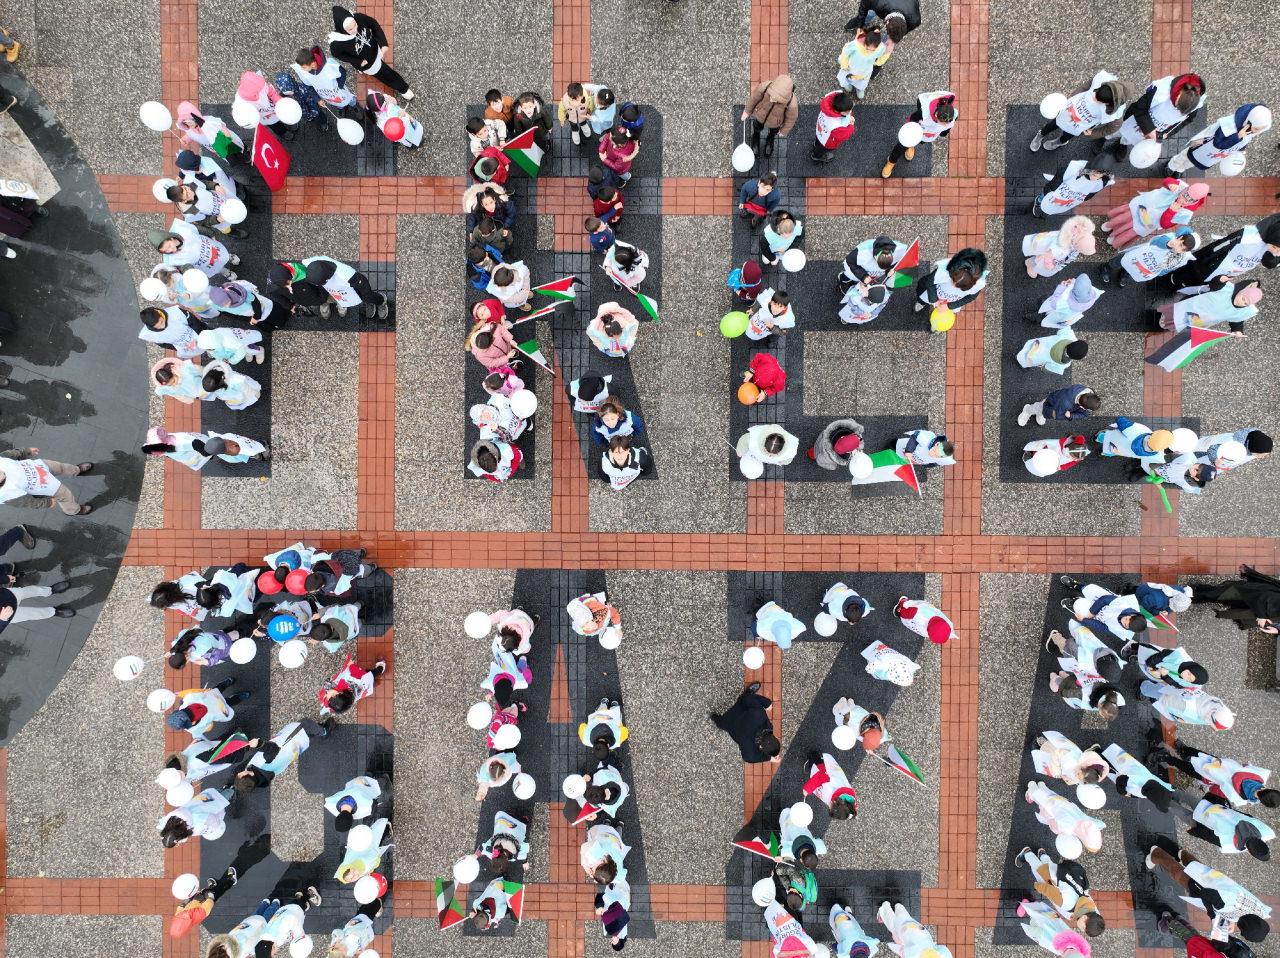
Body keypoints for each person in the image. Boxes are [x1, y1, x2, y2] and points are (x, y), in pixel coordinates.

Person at [1145, 845, 1272, 944]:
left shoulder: (1260, 910)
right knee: (1178, 874)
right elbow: (1206, 894)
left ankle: (1183, 854)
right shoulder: (1225, 905)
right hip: (1200, 886)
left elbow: (1241, 908)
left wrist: (1232, 922)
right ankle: (1156, 854)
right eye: (1243, 930)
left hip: (1216, 879)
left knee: (1199, 867)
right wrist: (1213, 917)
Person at [1099, 73, 1206, 164]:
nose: (1177, 112)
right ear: (1179, 95)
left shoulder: (1194, 104)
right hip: (1133, 119)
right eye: (1177, 107)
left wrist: (1167, 134)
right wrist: (1150, 130)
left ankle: (1122, 143)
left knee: (1132, 138)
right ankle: (1104, 137)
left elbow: (1185, 121)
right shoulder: (1161, 91)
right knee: (1117, 130)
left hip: (1154, 129)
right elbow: (1140, 108)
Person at [1148, 742, 1278, 809]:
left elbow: (1245, 765)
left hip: (1221, 764)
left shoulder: (1261, 775)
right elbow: (1217, 790)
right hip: (1210, 776)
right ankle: (1165, 757)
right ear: (1262, 801)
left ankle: (1183, 749)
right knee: (1190, 769)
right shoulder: (1239, 799)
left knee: (1201, 755)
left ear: (1268, 789)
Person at [1167, 218, 1280, 294]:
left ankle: (1181, 286)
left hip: (1230, 271)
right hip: (1214, 262)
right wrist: (1200, 257)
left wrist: (1274, 255)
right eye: (1276, 247)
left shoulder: (1272, 248)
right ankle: (1172, 280)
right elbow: (1221, 245)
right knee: (1193, 273)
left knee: (1203, 282)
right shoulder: (1250, 236)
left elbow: (1269, 263)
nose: (1276, 250)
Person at [1031, 72, 1132, 152]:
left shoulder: (1115, 115)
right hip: (1069, 110)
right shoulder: (1103, 79)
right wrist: (1072, 98)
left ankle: (1060, 141)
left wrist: (1092, 133)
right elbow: (1086, 86)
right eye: (1096, 93)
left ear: (1109, 104)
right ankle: (1042, 134)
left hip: (1081, 125)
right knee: (1054, 123)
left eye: (1098, 100)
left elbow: (1110, 129)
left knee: (1068, 134)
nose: (1094, 98)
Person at [328, 5, 414, 98]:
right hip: (368, 64)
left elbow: (373, 24)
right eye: (350, 29)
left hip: (375, 49)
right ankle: (403, 89)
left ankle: (360, 69)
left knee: (382, 70)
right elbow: (337, 54)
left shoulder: (358, 18)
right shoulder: (337, 43)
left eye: (355, 25)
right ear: (342, 29)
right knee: (386, 74)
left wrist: (383, 43)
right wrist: (357, 61)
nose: (355, 30)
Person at [269, 257, 389, 320]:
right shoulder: (308, 264)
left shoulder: (346, 275)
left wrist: (362, 295)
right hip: (334, 289)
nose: (289, 286)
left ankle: (380, 301)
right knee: (342, 298)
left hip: (351, 284)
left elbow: (361, 284)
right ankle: (365, 301)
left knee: (366, 295)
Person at [1103, 180, 1209, 249]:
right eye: (1185, 194)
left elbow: (1165, 225)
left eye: (1189, 199)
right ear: (1187, 189)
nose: (1183, 198)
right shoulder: (1182, 186)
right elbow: (1166, 181)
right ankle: (1110, 226)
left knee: (1130, 229)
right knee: (1123, 218)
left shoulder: (1186, 213)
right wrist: (1170, 184)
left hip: (1147, 221)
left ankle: (1115, 236)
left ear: (1195, 201)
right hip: (1142, 206)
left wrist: (1171, 211)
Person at [1168, 104, 1272, 175]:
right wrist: (1238, 136)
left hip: (1212, 154)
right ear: (1249, 121)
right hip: (1203, 145)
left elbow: (1245, 141)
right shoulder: (1229, 125)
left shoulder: (1250, 128)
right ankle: (1172, 165)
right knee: (1186, 155)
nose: (1258, 132)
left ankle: (1180, 169)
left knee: (1192, 162)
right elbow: (1217, 143)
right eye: (1257, 129)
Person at [234, 720, 322, 794]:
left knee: (306, 737)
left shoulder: (261, 779)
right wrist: (259, 744)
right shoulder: (262, 764)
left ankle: (313, 733)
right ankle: (323, 731)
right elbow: (273, 749)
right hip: (289, 741)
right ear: (250, 774)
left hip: (292, 750)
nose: (239, 773)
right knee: (306, 724)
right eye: (241, 774)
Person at [0, 446, 94, 515]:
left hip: (38, 466)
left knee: (60, 467)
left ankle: (76, 470)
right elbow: (26, 502)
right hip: (43, 485)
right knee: (65, 495)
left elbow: (8, 456)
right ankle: (73, 510)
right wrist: (46, 503)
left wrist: (25, 452)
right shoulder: (6, 494)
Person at [884, 91, 957, 177]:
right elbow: (913, 118)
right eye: (941, 122)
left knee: (917, 142)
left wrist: (945, 131)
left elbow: (945, 131)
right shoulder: (924, 113)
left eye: (946, 123)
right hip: (915, 132)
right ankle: (891, 162)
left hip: (925, 136)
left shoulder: (952, 117)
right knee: (900, 147)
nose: (943, 125)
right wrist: (913, 132)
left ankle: (911, 146)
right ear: (936, 114)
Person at [1192, 565, 1280, 634]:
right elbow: (1264, 597)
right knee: (1225, 594)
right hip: (1259, 598)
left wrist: (1278, 629)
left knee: (1225, 596)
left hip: (1262, 605)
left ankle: (1197, 592)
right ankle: (1194, 595)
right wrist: (1262, 616)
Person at [1025, 780, 1105, 853]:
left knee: (1052, 795)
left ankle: (1042, 786)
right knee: (1041, 799)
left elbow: (1100, 824)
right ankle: (1032, 789)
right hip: (1052, 808)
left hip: (1064, 803)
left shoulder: (1089, 822)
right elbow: (1054, 825)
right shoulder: (1069, 828)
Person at [710, 682, 780, 763]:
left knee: (746, 698)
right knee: (721, 723)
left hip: (739, 710)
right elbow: (748, 759)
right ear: (761, 747)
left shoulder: (759, 715)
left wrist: (767, 703)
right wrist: (771, 759)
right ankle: (714, 717)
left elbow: (748, 699)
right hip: (730, 724)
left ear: (775, 737)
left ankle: (748, 692)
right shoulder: (750, 752)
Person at [1152, 280, 1261, 333]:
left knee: (1183, 325)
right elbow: (1214, 283)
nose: (1241, 303)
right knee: (1174, 314)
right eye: (1243, 298)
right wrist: (1219, 279)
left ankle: (1167, 326)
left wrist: (1237, 330)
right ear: (1242, 291)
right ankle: (1158, 318)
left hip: (1201, 320)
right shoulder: (1226, 288)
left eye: (1246, 303)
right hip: (1191, 306)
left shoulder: (1242, 311)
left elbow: (1237, 321)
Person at [1060, 578, 1150, 640]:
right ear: (1133, 615)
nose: (1123, 621)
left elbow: (1102, 627)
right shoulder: (1125, 605)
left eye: (1125, 625)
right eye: (1127, 619)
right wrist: (1092, 612)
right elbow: (1105, 599)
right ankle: (1076, 585)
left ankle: (1075, 602)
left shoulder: (1120, 630)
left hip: (1098, 615)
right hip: (1100, 601)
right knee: (1088, 589)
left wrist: (1084, 620)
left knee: (1079, 607)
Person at [1185, 796, 1274, 859]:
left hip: (1212, 808)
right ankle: (1170, 801)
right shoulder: (1234, 845)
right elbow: (1210, 837)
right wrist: (1195, 832)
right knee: (1181, 812)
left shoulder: (1255, 827)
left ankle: (1172, 791)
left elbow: (1243, 815)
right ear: (1250, 852)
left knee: (1185, 797)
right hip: (1203, 822)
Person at [168, 866, 239, 939]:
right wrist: (210, 897)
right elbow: (206, 909)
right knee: (218, 891)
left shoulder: (179, 916)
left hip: (197, 900)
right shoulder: (196, 916)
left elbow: (180, 907)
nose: (180, 917)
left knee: (204, 891)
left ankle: (212, 887)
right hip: (205, 901)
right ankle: (231, 880)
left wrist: (187, 900)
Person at [1101, 744, 1174, 812]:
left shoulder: (1158, 787)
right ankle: (1097, 754)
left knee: (1116, 758)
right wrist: (1123, 792)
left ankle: (1102, 753)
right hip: (1122, 772)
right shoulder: (1139, 787)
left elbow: (1170, 788)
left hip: (1134, 768)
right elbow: (1121, 779)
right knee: (1108, 765)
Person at [915, 248, 988, 316]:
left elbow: (970, 297)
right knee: (922, 297)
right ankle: (922, 303)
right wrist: (935, 300)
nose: (953, 285)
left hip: (951, 301)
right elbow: (930, 281)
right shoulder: (945, 270)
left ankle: (938, 325)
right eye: (953, 280)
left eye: (959, 286)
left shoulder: (978, 284)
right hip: (932, 294)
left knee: (943, 315)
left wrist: (949, 306)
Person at [148, 224, 237, 279]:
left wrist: (210, 233)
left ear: (170, 237)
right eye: (165, 251)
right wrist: (189, 272)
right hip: (205, 264)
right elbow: (183, 267)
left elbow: (197, 229)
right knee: (215, 268)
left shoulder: (181, 228)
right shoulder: (172, 260)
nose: (170, 250)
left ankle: (229, 257)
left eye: (169, 246)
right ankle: (225, 272)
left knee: (220, 253)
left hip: (211, 247)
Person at [1033, 160, 1114, 218]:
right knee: (1045, 197)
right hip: (1054, 192)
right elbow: (1056, 181)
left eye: (1098, 177)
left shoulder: (1101, 182)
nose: (1094, 178)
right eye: (1094, 174)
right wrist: (1049, 192)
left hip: (1067, 199)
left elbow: (1090, 194)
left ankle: (1047, 208)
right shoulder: (1073, 169)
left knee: (1054, 206)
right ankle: (1039, 201)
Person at [742, 75, 799, 157]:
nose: (771, 99)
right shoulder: (765, 86)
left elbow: (791, 119)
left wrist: (784, 131)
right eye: (770, 95)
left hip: (776, 122)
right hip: (760, 114)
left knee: (773, 132)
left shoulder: (791, 104)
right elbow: (754, 98)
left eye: (777, 100)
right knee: (757, 127)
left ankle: (770, 140)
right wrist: (747, 111)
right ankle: (756, 137)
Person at [157, 786, 233, 847]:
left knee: (227, 794)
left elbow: (212, 819)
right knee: (216, 792)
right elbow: (162, 823)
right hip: (203, 799)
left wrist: (216, 826)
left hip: (213, 804)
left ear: (177, 840)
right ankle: (225, 788)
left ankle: (233, 788)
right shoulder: (171, 819)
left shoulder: (195, 820)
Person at [1140, 682, 1234, 730]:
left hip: (1181, 695)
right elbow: (1167, 699)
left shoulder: (1216, 705)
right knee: (1158, 693)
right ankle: (1144, 687)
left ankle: (1151, 686)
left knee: (1163, 690)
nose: (1215, 730)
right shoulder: (1190, 708)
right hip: (1175, 700)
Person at [1023, 216, 1096, 278]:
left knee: (1041, 253)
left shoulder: (1078, 232)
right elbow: (1048, 255)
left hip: (1052, 246)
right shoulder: (1060, 247)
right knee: (1040, 257)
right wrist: (1049, 264)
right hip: (1050, 251)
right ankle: (1030, 263)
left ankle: (1034, 262)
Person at [318, 652, 386, 717]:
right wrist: (351, 665)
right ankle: (381, 667)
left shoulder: (343, 702)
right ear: (341, 692)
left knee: (366, 682)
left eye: (329, 699)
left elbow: (330, 706)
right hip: (361, 679)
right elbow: (357, 672)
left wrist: (325, 704)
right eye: (331, 696)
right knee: (370, 673)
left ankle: (372, 683)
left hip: (360, 688)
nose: (328, 695)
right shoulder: (350, 682)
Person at [1031, 731, 1109, 787]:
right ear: (1083, 767)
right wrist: (1056, 771)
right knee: (1049, 748)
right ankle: (1041, 743)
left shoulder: (1084, 777)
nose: (1077, 776)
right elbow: (1057, 752)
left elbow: (1076, 780)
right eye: (1078, 774)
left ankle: (1041, 748)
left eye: (1080, 778)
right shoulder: (1072, 759)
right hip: (1058, 757)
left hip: (1063, 766)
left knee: (1046, 758)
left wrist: (1069, 780)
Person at [1016, 899, 1093, 956]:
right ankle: (1030, 906)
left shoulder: (1071, 950)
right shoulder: (1074, 945)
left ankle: (1033, 910)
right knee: (1043, 922)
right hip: (1059, 936)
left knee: (1041, 925)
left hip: (1060, 943)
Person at [290, 45, 355, 111]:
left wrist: (340, 85)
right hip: (328, 96)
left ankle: (354, 105)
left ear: (312, 65)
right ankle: (341, 108)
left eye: (304, 67)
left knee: (348, 99)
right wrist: (317, 99)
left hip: (339, 91)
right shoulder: (305, 72)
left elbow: (342, 72)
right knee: (337, 103)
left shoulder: (329, 66)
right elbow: (308, 86)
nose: (301, 69)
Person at [878, 902, 952, 958]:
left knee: (905, 917)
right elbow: (902, 950)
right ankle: (885, 907)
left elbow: (943, 948)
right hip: (905, 932)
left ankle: (899, 906)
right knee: (893, 925)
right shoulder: (914, 955)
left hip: (920, 931)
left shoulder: (944, 955)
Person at [0, 569, 75, 623]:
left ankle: (50, 590)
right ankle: (53, 612)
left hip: (3, 594)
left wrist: (4, 579)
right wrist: (3, 620)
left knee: (27, 591)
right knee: (31, 614)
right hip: (3, 616)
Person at [837, 22, 889, 100]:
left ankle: (859, 89)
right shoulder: (856, 45)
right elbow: (845, 53)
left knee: (861, 82)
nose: (869, 51)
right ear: (864, 42)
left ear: (877, 47)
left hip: (864, 71)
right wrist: (844, 64)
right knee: (846, 78)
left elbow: (883, 56)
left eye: (873, 50)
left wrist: (877, 62)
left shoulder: (880, 48)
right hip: (850, 67)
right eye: (867, 48)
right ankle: (847, 85)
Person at [840, 235, 908, 292]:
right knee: (848, 276)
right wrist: (864, 277)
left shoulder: (899, 251)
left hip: (871, 273)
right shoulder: (861, 253)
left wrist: (889, 270)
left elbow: (895, 264)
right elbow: (850, 262)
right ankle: (843, 280)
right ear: (875, 257)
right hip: (857, 269)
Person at [1036, 274, 1103, 330]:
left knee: (1047, 314)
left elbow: (1053, 303)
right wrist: (1074, 282)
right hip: (1068, 314)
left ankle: (1038, 317)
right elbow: (1082, 287)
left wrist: (1061, 287)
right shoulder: (1093, 295)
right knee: (1058, 318)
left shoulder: (1065, 299)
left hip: (1058, 310)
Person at [1019, 384, 1101, 427]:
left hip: (1057, 403)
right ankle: (1027, 410)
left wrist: (1072, 416)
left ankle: (1041, 414)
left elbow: (1084, 414)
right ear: (1082, 407)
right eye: (1086, 409)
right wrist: (1050, 414)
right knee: (1040, 407)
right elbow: (1058, 415)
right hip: (1051, 404)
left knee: (1042, 410)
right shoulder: (1065, 402)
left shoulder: (1086, 393)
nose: (1087, 411)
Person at [806, 752, 858, 820]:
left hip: (831, 781)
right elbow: (820, 777)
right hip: (823, 771)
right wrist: (807, 789)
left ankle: (815, 760)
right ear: (835, 802)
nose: (829, 807)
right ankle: (813, 758)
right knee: (817, 764)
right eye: (830, 807)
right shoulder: (831, 782)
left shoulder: (849, 804)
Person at [1095, 418, 1172, 463]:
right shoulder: (1157, 457)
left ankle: (1099, 438)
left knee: (1107, 437)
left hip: (1116, 439)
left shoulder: (1142, 429)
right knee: (1111, 450)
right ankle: (1105, 453)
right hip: (1121, 451)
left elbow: (1120, 420)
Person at [1016, 328, 1088, 375]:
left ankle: (1024, 347)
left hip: (1039, 345)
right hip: (1038, 357)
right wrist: (1043, 369)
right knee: (1028, 358)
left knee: (1030, 346)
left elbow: (1062, 329)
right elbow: (1046, 368)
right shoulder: (1063, 364)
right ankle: (1019, 359)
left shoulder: (1069, 336)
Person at [1196, 428, 1270, 473]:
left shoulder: (1255, 438)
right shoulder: (1231, 445)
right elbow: (1212, 450)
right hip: (1212, 448)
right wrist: (1215, 460)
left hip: (1219, 447)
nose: (1262, 457)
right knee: (1197, 449)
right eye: (1261, 455)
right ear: (1253, 448)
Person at [812, 89, 856, 163]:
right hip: (827, 140)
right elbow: (844, 135)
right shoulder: (835, 125)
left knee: (818, 141)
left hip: (820, 129)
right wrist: (851, 125)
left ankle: (816, 145)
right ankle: (816, 156)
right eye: (847, 111)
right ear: (838, 111)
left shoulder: (829, 103)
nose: (850, 112)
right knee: (822, 148)